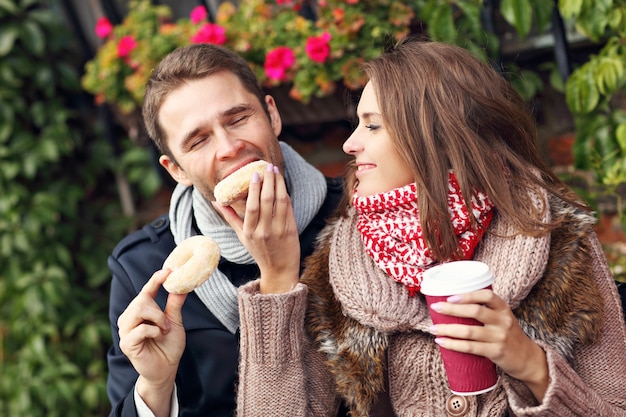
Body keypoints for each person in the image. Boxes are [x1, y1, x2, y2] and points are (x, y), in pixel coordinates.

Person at [233, 38, 626, 416]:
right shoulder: (343, 260)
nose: (349, 145)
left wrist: (533, 367)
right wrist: (275, 281)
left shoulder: (557, 236)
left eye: (372, 126)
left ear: (437, 136)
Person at [106, 43, 344, 417]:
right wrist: (156, 386)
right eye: (198, 140)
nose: (230, 147)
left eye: (238, 118)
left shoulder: (353, 214)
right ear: (176, 170)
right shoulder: (143, 268)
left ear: (272, 114)